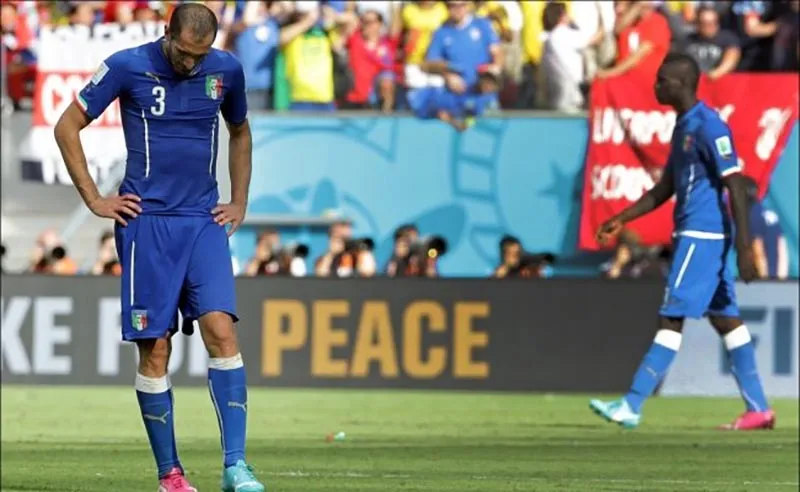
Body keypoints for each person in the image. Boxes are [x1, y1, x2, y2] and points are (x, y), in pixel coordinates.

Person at [53, 4, 265, 492]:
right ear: (166, 33)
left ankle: (236, 467)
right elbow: (67, 127)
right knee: (156, 349)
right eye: (184, 54)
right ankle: (170, 474)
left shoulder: (226, 70)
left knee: (222, 332)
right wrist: (94, 199)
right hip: (146, 225)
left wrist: (240, 200)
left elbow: (240, 132)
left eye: (199, 56)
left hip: (202, 221)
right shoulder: (127, 65)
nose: (189, 64)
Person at [588, 53, 775, 431]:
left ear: (680, 84)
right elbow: (666, 187)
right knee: (726, 320)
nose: (656, 87)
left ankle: (632, 404)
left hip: (701, 235)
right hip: (701, 234)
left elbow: (735, 184)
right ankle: (759, 410)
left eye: (661, 81)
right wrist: (622, 217)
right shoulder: (683, 127)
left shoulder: (710, 126)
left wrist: (744, 247)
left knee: (671, 315)